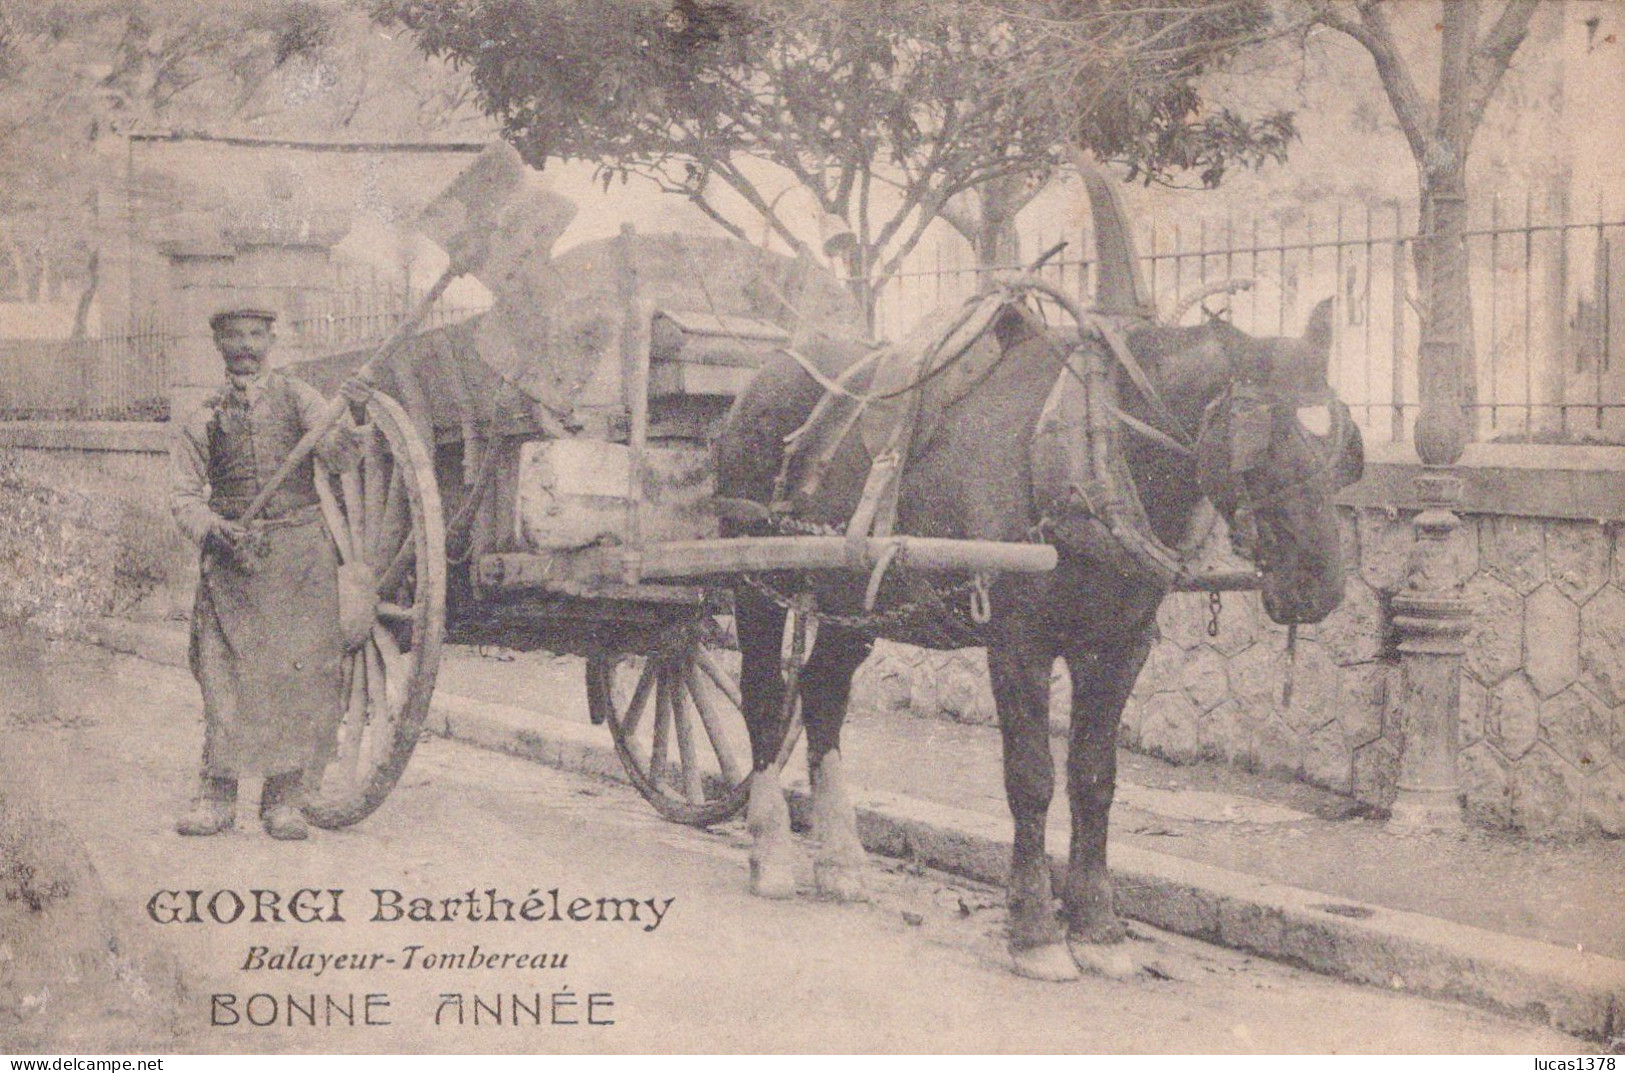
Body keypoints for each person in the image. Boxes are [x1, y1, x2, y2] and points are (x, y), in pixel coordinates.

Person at [169, 308, 365, 840]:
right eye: (234, 337)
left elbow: (337, 455)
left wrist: (350, 425)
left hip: (300, 555)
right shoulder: (202, 415)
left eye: (255, 335)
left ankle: (283, 801)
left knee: (296, 676)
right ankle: (216, 797)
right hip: (233, 560)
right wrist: (214, 528)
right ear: (218, 344)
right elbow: (184, 497)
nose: (245, 346)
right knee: (223, 675)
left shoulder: (301, 398)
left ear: (271, 341)